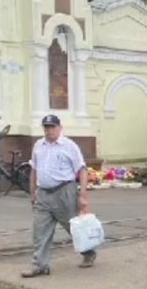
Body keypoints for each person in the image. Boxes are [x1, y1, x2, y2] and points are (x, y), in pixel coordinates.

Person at [22, 114, 96, 277]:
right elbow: (34, 170)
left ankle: (88, 252)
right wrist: (32, 192)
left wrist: (83, 195)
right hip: (43, 193)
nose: (49, 130)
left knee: (74, 228)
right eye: (46, 127)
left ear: (59, 128)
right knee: (40, 231)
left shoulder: (69, 146)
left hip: (65, 192)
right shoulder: (38, 145)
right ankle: (39, 265)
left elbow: (82, 170)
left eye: (52, 127)